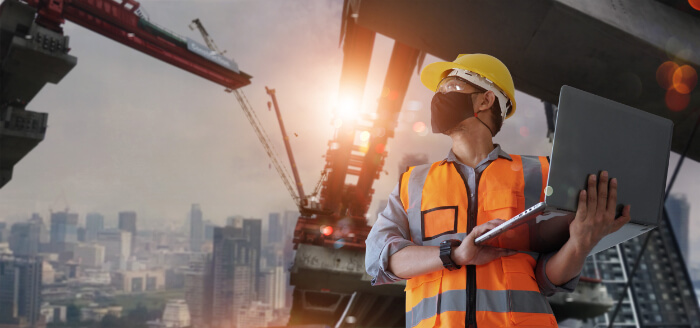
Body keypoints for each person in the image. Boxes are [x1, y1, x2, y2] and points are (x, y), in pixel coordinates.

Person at [365, 54, 632, 328]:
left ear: (485, 100)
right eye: (438, 91)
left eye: (451, 88)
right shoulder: (413, 182)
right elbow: (379, 259)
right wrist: (455, 255)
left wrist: (580, 244)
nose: (439, 98)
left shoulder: (541, 174)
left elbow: (547, 278)